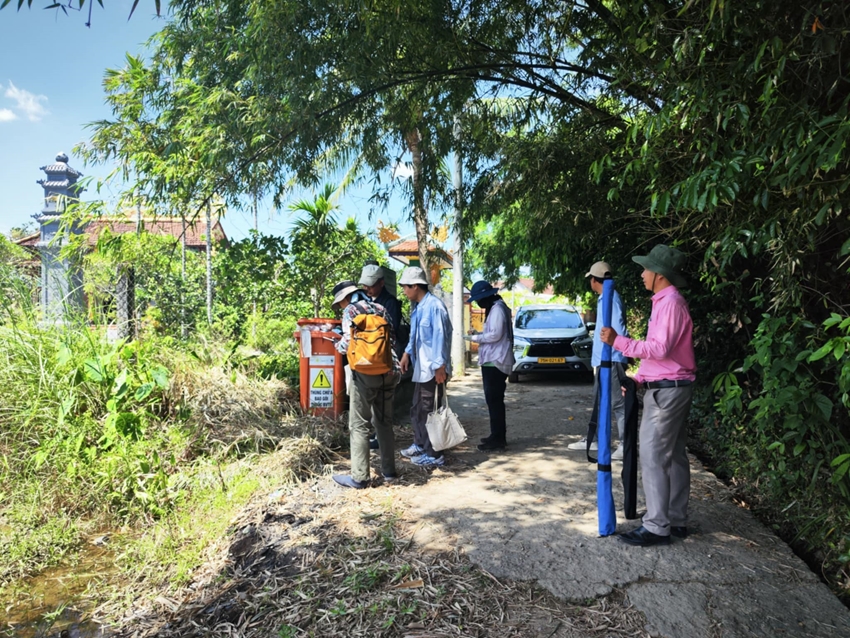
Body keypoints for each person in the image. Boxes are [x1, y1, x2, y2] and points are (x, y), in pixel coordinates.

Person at [600, 245, 696, 547]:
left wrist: (619, 342)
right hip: (672, 386)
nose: (642, 274)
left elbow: (659, 349)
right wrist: (640, 378)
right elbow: (662, 353)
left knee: (654, 455)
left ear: (659, 274)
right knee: (675, 457)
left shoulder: (670, 304)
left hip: (668, 393)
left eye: (645, 269)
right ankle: (675, 519)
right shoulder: (666, 302)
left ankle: (657, 526)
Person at [330, 280, 400, 489]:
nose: (341, 307)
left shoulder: (350, 311)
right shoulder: (381, 308)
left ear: (344, 298)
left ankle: (359, 477)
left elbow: (346, 346)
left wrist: (334, 342)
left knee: (359, 424)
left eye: (339, 303)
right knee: (384, 422)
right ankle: (389, 472)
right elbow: (393, 340)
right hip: (389, 370)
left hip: (365, 372)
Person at [568, 261, 629, 459]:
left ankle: (624, 445)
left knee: (617, 404)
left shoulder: (611, 299)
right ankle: (594, 439)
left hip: (610, 359)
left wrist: (618, 353)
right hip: (603, 361)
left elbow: (618, 329)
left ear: (594, 280)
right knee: (598, 402)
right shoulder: (605, 298)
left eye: (590, 280)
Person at [398, 266, 452, 467]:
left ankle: (435, 454)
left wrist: (440, 367)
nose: (404, 291)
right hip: (422, 369)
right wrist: (406, 353)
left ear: (415, 286)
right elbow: (414, 336)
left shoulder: (435, 307)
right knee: (417, 408)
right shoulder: (418, 307)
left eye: (405, 287)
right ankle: (420, 444)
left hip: (432, 369)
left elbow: (440, 338)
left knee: (430, 411)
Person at [463, 281, 515, 452]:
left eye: (479, 299)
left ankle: (499, 438)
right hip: (492, 360)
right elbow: (492, 333)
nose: (478, 303)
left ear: (486, 297)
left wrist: (475, 338)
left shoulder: (498, 309)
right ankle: (496, 435)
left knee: (495, 401)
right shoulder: (495, 308)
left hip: (496, 361)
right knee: (493, 401)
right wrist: (478, 335)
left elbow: (495, 335)